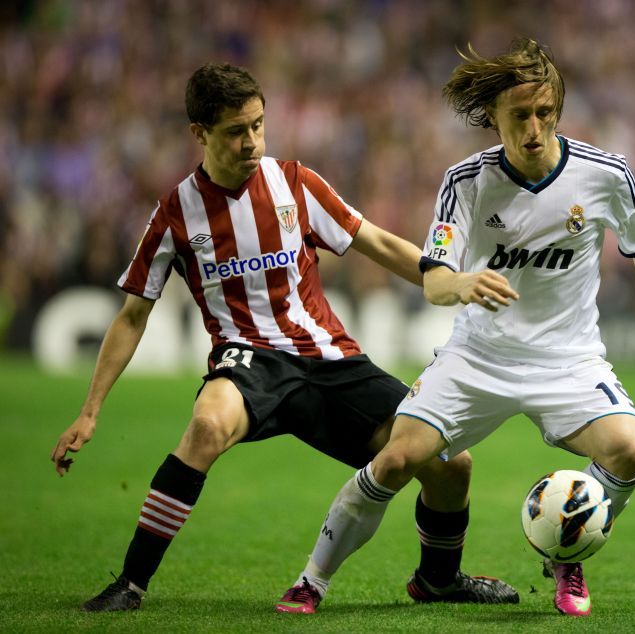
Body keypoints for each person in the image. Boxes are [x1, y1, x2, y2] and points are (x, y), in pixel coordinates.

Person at [49, 63, 519, 613]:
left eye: (258, 125)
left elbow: (373, 241)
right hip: (249, 362)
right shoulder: (176, 213)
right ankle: (129, 585)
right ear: (199, 133)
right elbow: (132, 316)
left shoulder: (294, 182)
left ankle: (440, 580)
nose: (251, 142)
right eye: (235, 131)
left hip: (330, 359)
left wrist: (446, 276)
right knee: (204, 427)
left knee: (451, 466)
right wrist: (90, 410)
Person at [276, 38, 635, 618]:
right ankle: (311, 582)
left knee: (629, 449)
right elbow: (433, 281)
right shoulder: (466, 182)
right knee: (397, 461)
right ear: (494, 119)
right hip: (478, 356)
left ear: (557, 110)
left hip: (568, 359)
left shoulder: (606, 175)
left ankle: (566, 549)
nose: (534, 128)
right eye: (520, 116)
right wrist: (464, 282)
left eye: (545, 114)